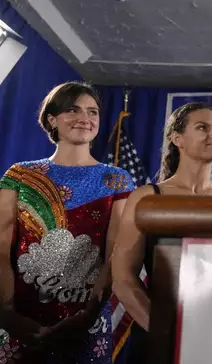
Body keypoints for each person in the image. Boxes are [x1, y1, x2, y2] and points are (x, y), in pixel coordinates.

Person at [0, 81, 134, 363]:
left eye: (93, 111)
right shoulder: (20, 175)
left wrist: (86, 318)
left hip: (86, 324)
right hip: (17, 321)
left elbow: (114, 255)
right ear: (52, 119)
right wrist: (8, 313)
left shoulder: (117, 179)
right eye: (73, 110)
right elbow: (0, 249)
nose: (85, 118)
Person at [111, 102, 212, 362]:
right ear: (177, 139)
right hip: (158, 341)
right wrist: (167, 334)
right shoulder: (148, 198)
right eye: (202, 127)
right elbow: (122, 278)